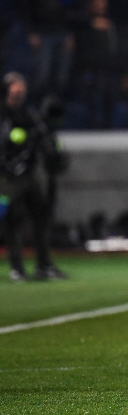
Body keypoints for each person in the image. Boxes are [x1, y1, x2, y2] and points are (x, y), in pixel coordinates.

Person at [0, 72, 67, 281]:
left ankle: (44, 264)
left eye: (22, 91)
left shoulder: (28, 114)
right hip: (8, 177)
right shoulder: (3, 114)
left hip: (29, 174)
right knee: (13, 220)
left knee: (41, 217)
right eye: (15, 90)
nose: (19, 94)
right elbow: (7, 140)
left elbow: (41, 134)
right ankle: (17, 267)